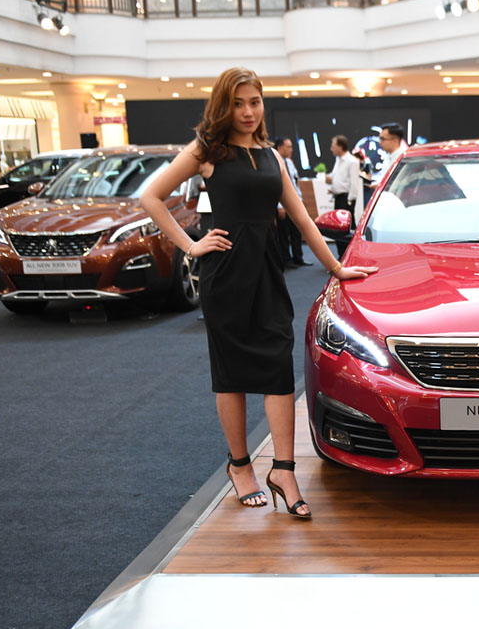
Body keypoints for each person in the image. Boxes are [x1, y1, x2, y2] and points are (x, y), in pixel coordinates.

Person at [140, 67, 377, 520]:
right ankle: (240, 465)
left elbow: (302, 217)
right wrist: (191, 244)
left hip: (267, 272)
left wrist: (336, 267)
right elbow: (151, 197)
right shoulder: (206, 150)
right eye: (238, 103)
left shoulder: (270, 155)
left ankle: (284, 471)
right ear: (223, 106)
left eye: (255, 102)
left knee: (277, 368)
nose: (248, 111)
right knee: (230, 373)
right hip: (226, 273)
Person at [324, 134, 362, 256]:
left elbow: (354, 183)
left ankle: (351, 254)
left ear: (341, 146)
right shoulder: (338, 160)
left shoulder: (352, 161)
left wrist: (350, 201)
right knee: (337, 228)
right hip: (339, 197)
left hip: (346, 199)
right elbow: (338, 177)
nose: (331, 148)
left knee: (347, 229)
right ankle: (341, 254)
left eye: (333, 146)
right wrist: (331, 184)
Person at [273, 137, 309, 266]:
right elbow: (276, 186)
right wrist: (279, 206)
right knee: (283, 233)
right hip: (282, 204)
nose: (291, 149)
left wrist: (300, 200)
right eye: (288, 147)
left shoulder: (289, 162)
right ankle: (286, 259)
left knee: (296, 231)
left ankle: (298, 258)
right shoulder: (274, 162)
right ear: (279, 148)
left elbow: (295, 183)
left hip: (294, 203)